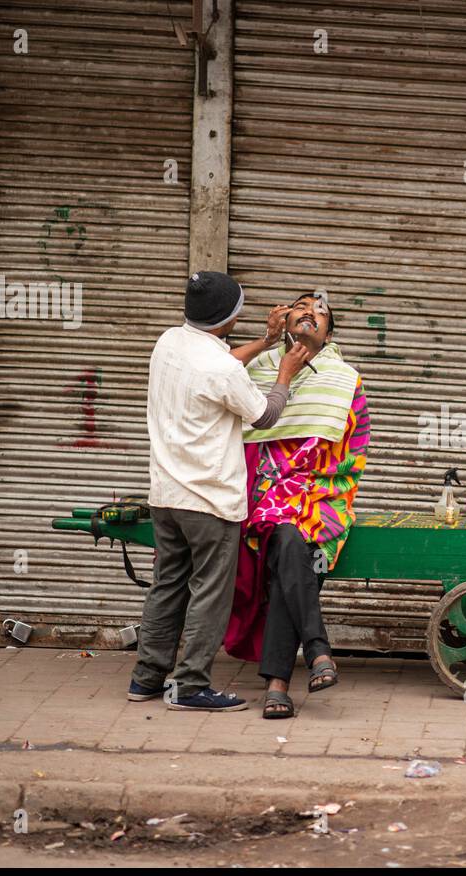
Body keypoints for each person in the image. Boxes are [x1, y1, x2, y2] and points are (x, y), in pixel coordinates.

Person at [129, 271, 310, 712]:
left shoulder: (169, 341)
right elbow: (264, 415)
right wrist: (285, 372)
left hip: (167, 495)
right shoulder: (224, 368)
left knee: (167, 584)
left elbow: (221, 364)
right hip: (208, 499)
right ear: (228, 318)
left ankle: (147, 677)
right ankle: (190, 686)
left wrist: (266, 343)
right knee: (210, 590)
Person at [222, 293, 370, 719]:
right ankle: (315, 650)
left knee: (289, 543)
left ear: (330, 333)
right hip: (261, 493)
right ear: (284, 318)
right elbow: (216, 375)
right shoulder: (257, 367)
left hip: (323, 493)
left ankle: (279, 683)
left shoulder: (344, 379)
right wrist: (267, 342)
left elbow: (354, 448)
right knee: (290, 540)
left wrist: (311, 477)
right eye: (302, 305)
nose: (311, 312)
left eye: (321, 312)